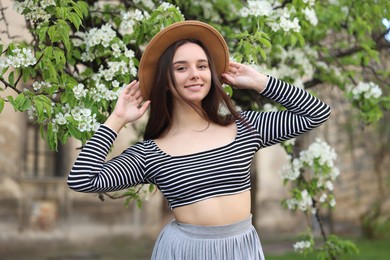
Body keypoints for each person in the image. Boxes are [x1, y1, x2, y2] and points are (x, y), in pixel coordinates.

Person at [67, 20, 331, 259]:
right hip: (186, 251)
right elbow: (82, 179)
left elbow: (316, 113)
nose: (194, 74)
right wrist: (117, 119)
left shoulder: (244, 128)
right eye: (181, 68)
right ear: (167, 82)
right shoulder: (151, 153)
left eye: (202, 66)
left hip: (242, 250)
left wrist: (260, 82)